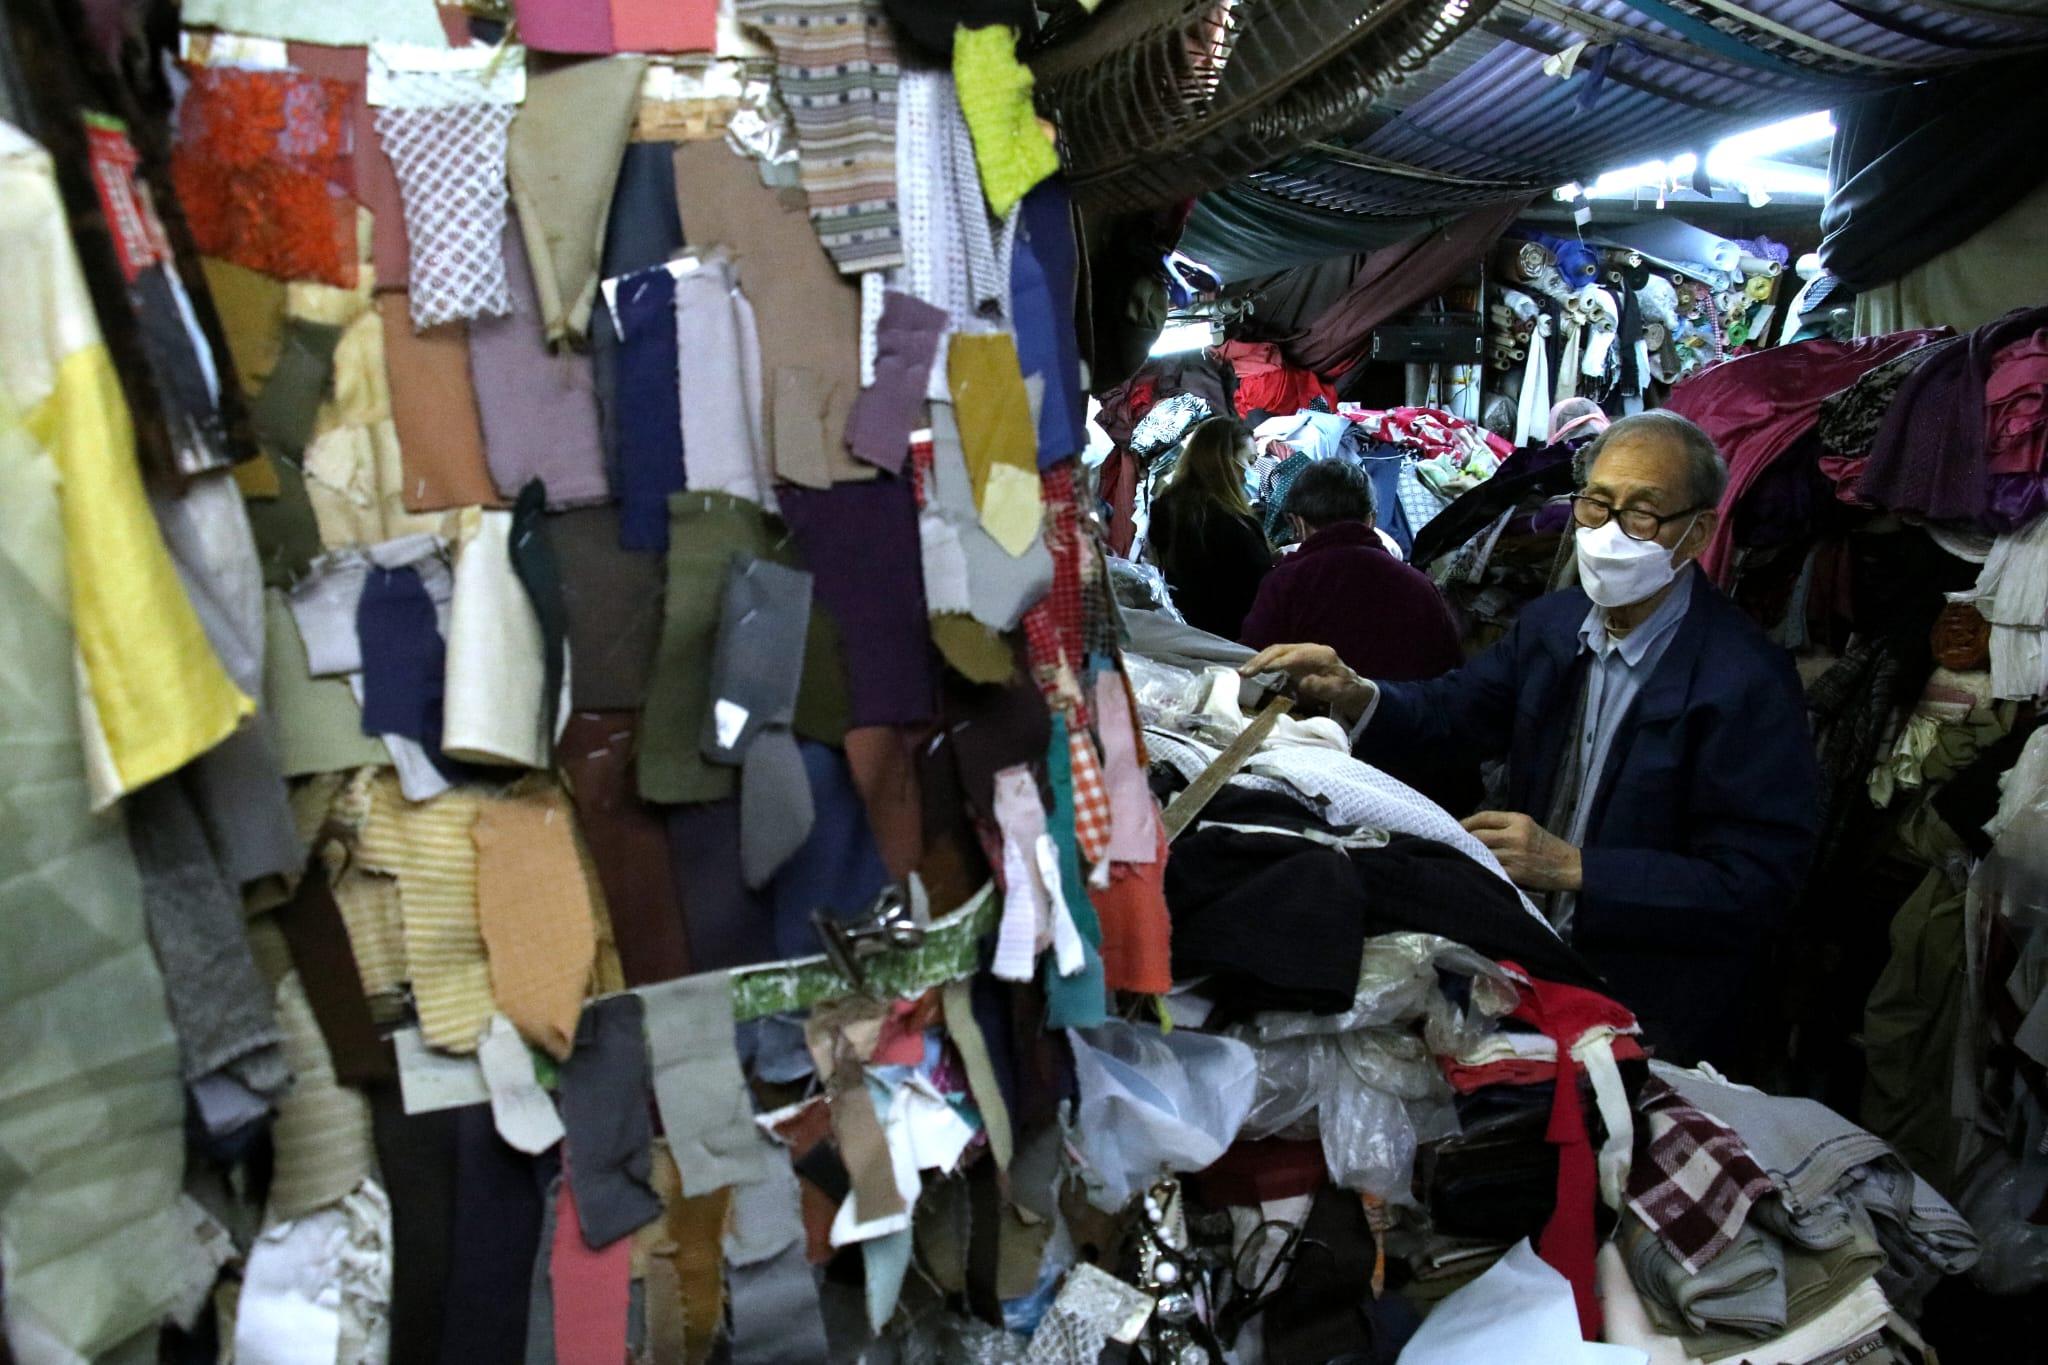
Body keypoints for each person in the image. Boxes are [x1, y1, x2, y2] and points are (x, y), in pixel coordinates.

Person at [1244, 411, 1819, 1066]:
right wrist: (1356, 691)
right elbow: (1455, 711)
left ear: (1698, 532)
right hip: (1535, 959)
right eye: (1597, 504)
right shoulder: (1553, 627)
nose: (1608, 532)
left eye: (1641, 514)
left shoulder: (1745, 681)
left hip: (1657, 1001)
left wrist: (1576, 868)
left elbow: (1756, 882)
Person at [1239, 459, 1463, 683]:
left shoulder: (1284, 584)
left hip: (1309, 704)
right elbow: (1449, 674)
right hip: (1403, 704)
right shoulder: (1421, 587)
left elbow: (1252, 668)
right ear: (1371, 519)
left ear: (1297, 523)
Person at [1147, 416, 1272, 639]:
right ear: (1225, 461)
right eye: (1250, 461)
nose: (1253, 472)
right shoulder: (1230, 522)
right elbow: (1254, 584)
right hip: (1234, 637)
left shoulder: (1166, 506)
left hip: (1187, 633)